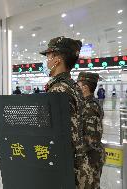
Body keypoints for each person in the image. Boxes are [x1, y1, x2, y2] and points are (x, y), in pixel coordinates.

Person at [40, 36, 92, 189]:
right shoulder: (71, 86)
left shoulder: (58, 90)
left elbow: (54, 137)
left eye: (48, 56)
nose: (47, 60)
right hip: (77, 165)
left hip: (66, 171)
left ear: (57, 59)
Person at [77, 72, 105, 189]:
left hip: (90, 159)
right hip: (90, 157)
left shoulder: (90, 107)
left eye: (78, 85)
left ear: (85, 87)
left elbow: (92, 139)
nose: (76, 88)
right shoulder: (87, 103)